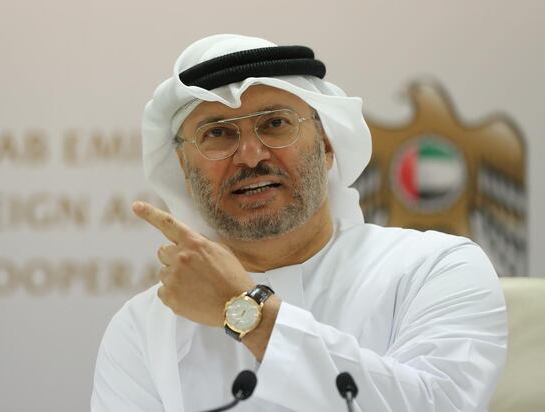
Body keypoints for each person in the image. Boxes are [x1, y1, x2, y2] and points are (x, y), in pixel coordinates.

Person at [91, 34, 507, 412]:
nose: (251, 156)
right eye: (218, 134)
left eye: (275, 124)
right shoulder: (144, 327)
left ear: (326, 145)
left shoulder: (433, 268)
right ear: (184, 166)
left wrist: (245, 309)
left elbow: (440, 404)